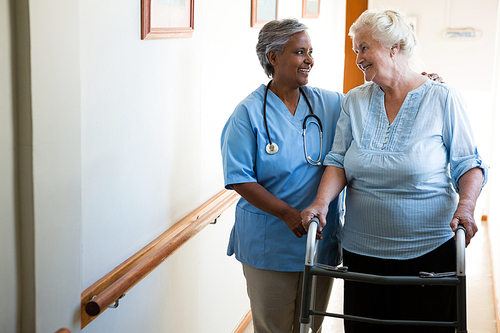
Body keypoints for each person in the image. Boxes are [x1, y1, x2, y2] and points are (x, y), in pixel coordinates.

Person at [301, 8, 488, 333]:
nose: (358, 57)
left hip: (428, 253)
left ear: (394, 47)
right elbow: (338, 160)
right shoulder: (355, 101)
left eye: (364, 47)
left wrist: (467, 207)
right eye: (355, 49)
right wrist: (321, 202)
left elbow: (469, 164)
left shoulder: (443, 99)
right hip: (362, 253)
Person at [220, 18, 344, 333]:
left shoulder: (328, 103)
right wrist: (287, 213)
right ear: (273, 57)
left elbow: (375, 100)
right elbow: (239, 177)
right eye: (300, 52)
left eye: (311, 52)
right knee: (274, 328)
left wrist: (419, 83)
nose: (310, 60)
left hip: (319, 240)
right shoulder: (247, 113)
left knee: (310, 327)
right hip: (270, 244)